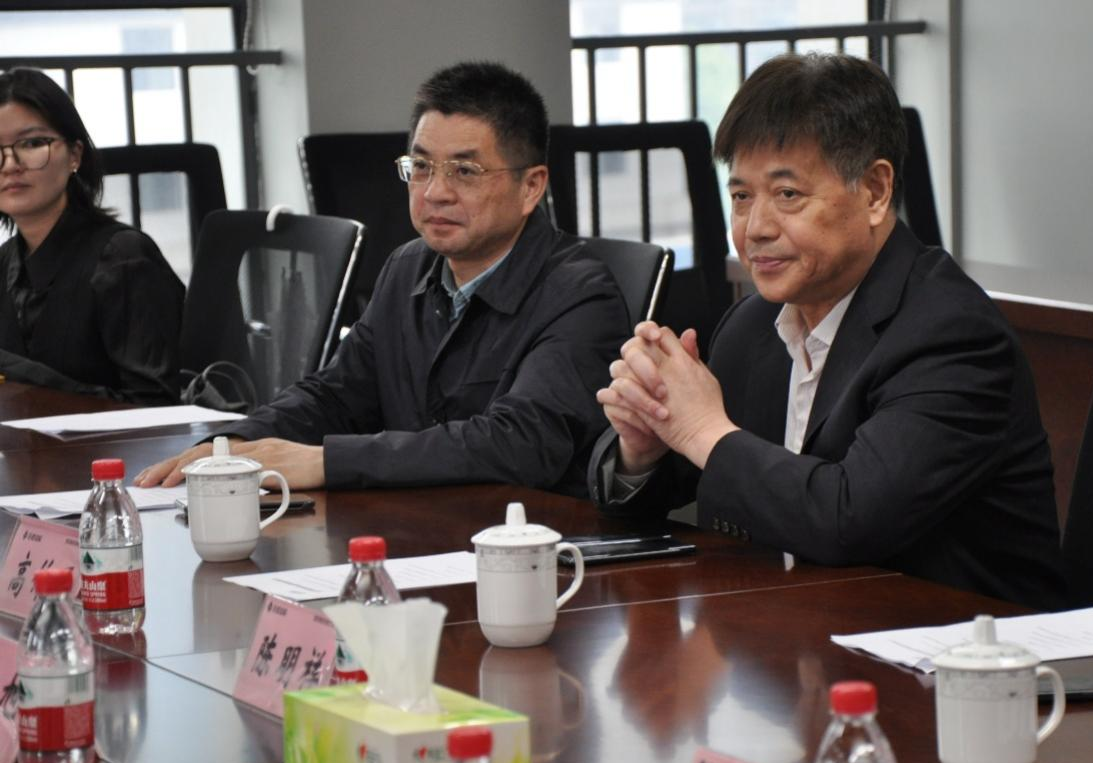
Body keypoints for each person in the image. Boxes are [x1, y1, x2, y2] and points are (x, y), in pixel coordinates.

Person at [592, 53, 1067, 609]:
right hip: (795, 629)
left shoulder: (952, 334)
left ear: (875, 192)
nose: (755, 228)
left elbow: (850, 520)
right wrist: (645, 445)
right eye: (741, 196)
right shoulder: (751, 326)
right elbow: (683, 481)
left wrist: (698, 428)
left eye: (788, 195)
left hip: (959, 644)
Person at [138, 61, 626, 496]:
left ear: (531, 187)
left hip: (532, 545)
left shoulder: (582, 296)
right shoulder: (408, 266)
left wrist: (325, 462)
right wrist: (234, 444)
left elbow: (518, 443)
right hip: (419, 529)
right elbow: (338, 394)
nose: (435, 192)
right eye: (422, 167)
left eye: (465, 171)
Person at [0, 67, 184, 404]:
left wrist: (24, 375)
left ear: (75, 155)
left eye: (32, 143)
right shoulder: (4, 262)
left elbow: (154, 404)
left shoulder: (122, 259)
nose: (10, 164)